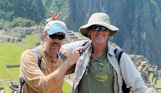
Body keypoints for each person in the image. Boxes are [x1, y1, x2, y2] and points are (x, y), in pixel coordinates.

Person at [60, 12, 147, 93]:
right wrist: (54, 28)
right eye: (95, 28)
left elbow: (139, 87)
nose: (100, 31)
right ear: (89, 31)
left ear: (108, 32)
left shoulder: (119, 57)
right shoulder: (81, 49)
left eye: (104, 28)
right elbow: (56, 49)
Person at [20, 19, 85, 93]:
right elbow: (42, 87)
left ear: (64, 39)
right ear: (44, 36)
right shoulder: (30, 56)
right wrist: (67, 63)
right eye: (53, 36)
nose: (56, 41)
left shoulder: (64, 56)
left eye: (60, 37)